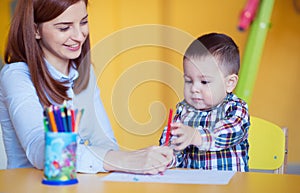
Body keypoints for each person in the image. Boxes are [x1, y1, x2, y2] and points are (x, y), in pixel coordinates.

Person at [0, 0, 173, 174]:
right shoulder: (16, 75)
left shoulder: (84, 71)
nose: (79, 35)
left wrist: (138, 159)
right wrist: (123, 159)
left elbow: (105, 142)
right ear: (36, 30)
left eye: (83, 22)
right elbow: (41, 149)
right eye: (64, 28)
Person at [160, 33, 250, 171]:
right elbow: (175, 150)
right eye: (189, 81)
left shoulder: (236, 108)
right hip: (192, 185)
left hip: (230, 186)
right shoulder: (183, 111)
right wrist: (167, 155)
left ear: (229, 83)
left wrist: (196, 136)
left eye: (204, 82)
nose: (194, 88)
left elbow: (231, 132)